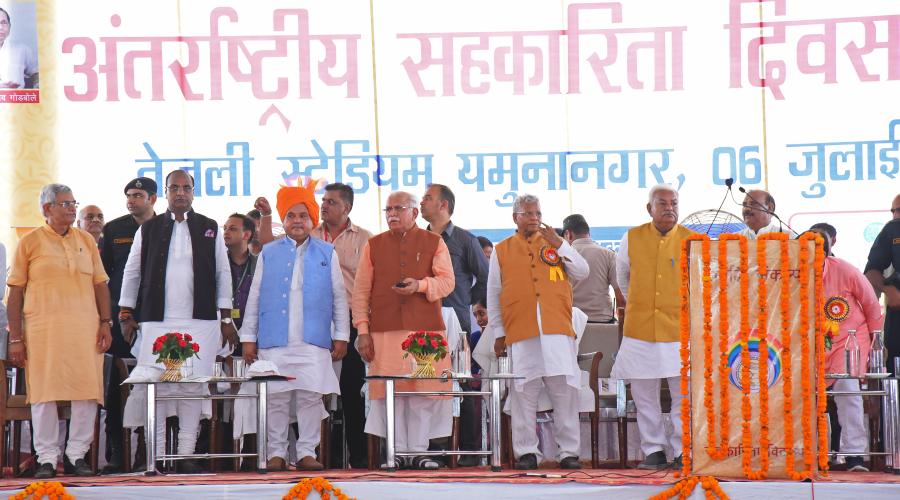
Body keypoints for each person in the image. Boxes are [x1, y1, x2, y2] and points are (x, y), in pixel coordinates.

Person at [118, 170, 237, 473]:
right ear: (166, 194)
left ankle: (185, 453)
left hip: (201, 322)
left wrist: (225, 317)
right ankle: (155, 455)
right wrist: (126, 312)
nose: (180, 193)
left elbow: (223, 273)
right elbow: (132, 272)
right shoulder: (149, 228)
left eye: (186, 188)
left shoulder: (209, 227)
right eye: (175, 188)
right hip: (158, 321)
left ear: (194, 192)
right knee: (156, 386)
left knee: (192, 387)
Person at [240, 181, 349, 471]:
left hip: (313, 339)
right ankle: (276, 452)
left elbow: (339, 295)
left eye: (303, 215)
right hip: (275, 338)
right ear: (283, 221)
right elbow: (256, 294)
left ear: (313, 220)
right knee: (276, 397)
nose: (297, 221)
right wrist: (248, 337)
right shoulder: (269, 252)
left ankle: (306, 452)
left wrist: (341, 335)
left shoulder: (327, 252)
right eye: (291, 216)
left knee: (311, 397)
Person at [6, 183, 112, 479]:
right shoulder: (30, 242)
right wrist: (16, 338)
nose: (71, 208)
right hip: (43, 332)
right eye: (65, 203)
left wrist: (106, 322)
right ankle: (47, 459)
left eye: (73, 203)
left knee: (86, 393)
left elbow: (100, 284)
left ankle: (77, 455)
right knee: (43, 394)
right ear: (46, 209)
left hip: (85, 330)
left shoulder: (87, 241)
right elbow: (15, 292)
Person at [352, 191, 455, 470]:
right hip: (384, 331)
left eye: (398, 208)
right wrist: (362, 330)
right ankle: (395, 453)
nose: (392, 214)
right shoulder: (374, 245)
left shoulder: (434, 242)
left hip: (425, 334)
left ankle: (419, 452)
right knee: (390, 392)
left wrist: (420, 286)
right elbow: (361, 292)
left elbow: (447, 283)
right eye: (388, 210)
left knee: (421, 393)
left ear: (414, 212)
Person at [488, 194, 589, 470]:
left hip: (556, 328)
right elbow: (494, 293)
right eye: (528, 213)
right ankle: (526, 452)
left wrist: (561, 244)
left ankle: (568, 452)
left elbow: (583, 271)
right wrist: (499, 332)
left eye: (538, 213)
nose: (535, 218)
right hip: (522, 330)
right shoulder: (502, 249)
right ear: (515, 218)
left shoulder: (556, 244)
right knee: (523, 392)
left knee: (564, 391)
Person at [612, 184, 695, 469]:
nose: (669, 208)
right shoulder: (631, 237)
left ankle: (684, 450)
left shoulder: (691, 240)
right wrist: (638, 300)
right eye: (662, 203)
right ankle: (653, 451)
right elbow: (622, 276)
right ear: (650, 208)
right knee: (644, 394)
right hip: (640, 328)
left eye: (674, 202)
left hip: (678, 330)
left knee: (682, 395)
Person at [420, 183, 489, 465]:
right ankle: (433, 448)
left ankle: (470, 450)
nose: (422, 203)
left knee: (461, 383)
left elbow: (484, 277)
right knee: (427, 383)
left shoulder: (464, 240)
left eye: (427, 199)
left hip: (455, 321)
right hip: (423, 323)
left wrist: (463, 299)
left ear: (443, 205)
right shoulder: (416, 239)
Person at [310, 182, 373, 469]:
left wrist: (364, 328)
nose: (324, 206)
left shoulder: (365, 240)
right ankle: (321, 455)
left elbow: (370, 286)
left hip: (350, 319)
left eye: (331, 202)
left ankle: (358, 457)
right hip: (313, 321)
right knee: (313, 390)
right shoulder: (308, 236)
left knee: (351, 391)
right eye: (323, 201)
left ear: (347, 207)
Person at [809, 228, 883, 472]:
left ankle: (854, 456)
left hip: (849, 341)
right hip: (811, 346)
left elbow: (871, 304)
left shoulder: (844, 269)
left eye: (819, 252)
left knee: (847, 389)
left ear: (827, 252)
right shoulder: (792, 273)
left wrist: (877, 341)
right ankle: (813, 453)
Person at [98, 176, 157, 473]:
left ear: (153, 200)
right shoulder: (114, 229)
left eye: (138, 195)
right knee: (114, 387)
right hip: (121, 322)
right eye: (129, 195)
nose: (131, 200)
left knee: (152, 386)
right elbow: (104, 277)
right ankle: (116, 453)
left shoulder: (167, 228)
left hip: (155, 322)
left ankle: (146, 452)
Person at [562, 214, 625, 323]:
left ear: (568, 234)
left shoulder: (561, 256)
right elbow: (620, 297)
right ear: (588, 233)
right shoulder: (609, 255)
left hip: (572, 322)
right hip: (603, 321)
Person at [0, 8, 38, 89]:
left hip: (17, 99)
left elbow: (36, 73)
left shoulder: (22, 50)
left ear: (9, 26)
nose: (0, 27)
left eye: (4, 23)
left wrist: (37, 87)